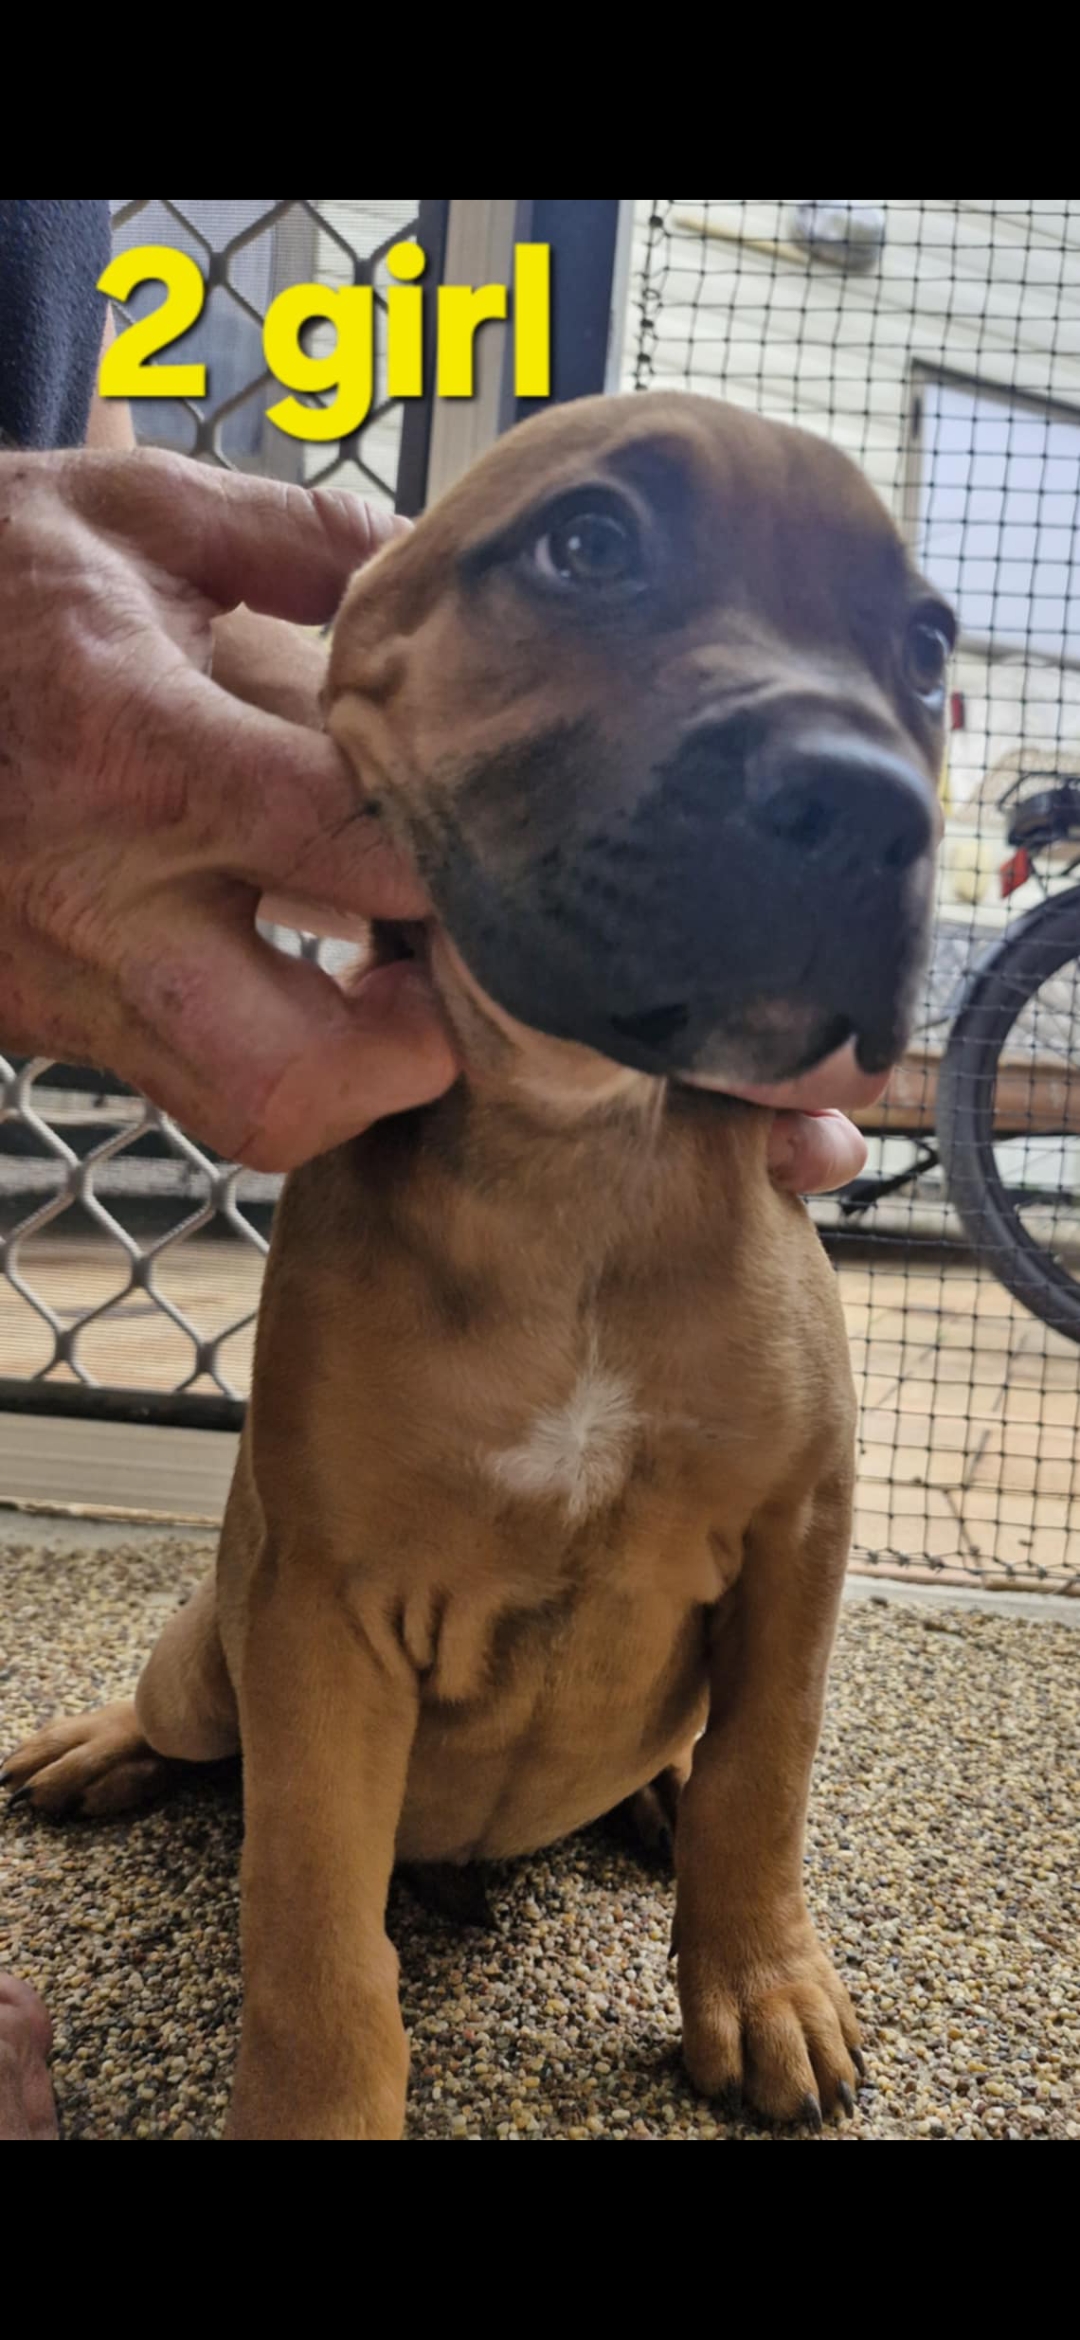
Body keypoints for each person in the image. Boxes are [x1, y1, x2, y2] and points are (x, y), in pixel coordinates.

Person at [0, 201, 873, 2141]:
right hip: (321, 1733)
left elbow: (797, 1538)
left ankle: (682, 1842)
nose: (842, 739)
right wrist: (314, 2053)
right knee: (219, 1681)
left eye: (900, 651)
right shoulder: (358, 1227)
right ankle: (179, 1748)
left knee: (764, 1525)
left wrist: (750, 1905)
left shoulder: (759, 1268)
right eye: (595, 547)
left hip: (619, 1758)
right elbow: (322, 1595)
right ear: (367, 648)